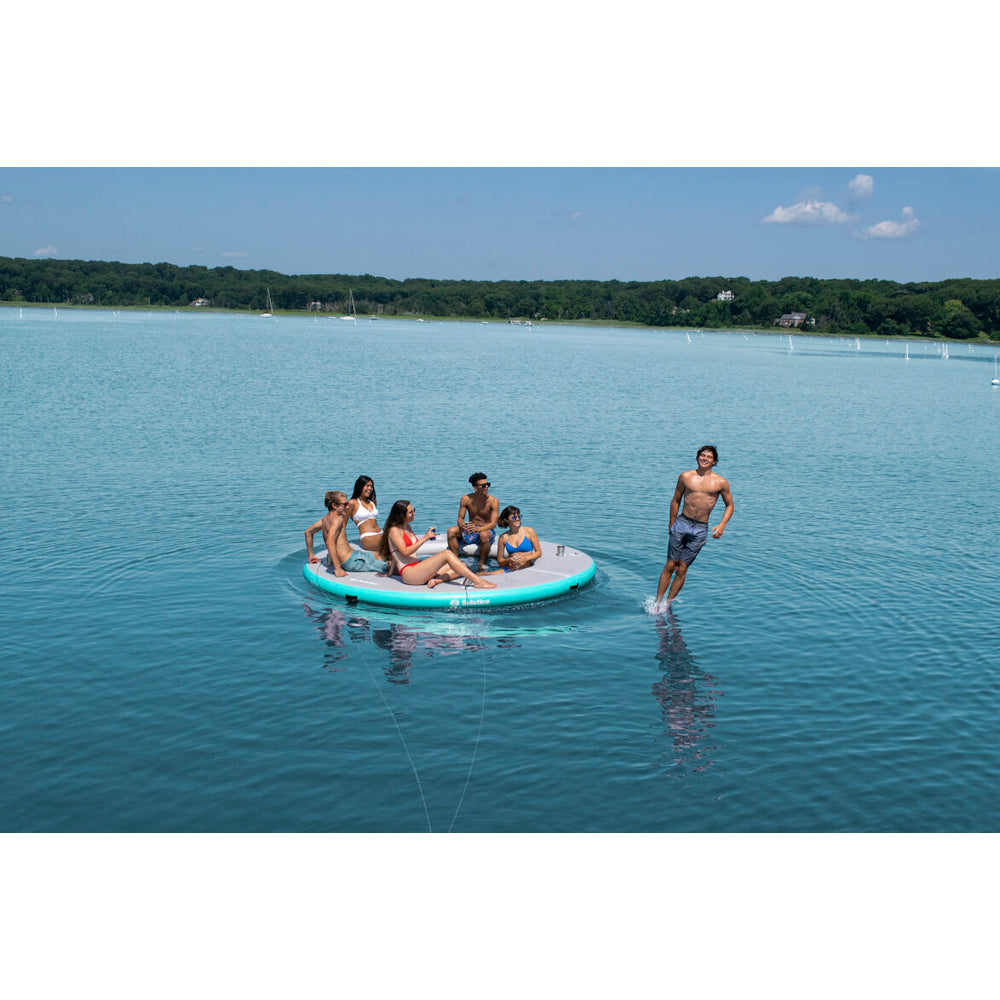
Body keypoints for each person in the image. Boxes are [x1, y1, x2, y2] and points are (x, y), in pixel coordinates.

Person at [654, 445, 734, 606]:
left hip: (700, 528)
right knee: (670, 564)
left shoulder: (721, 482)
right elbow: (676, 500)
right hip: (682, 523)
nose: (705, 458)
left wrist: (722, 525)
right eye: (702, 455)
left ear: (714, 461)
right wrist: (672, 524)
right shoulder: (685, 476)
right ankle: (658, 602)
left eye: (709, 457)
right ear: (698, 457)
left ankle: (667, 604)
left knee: (682, 568)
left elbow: (730, 505)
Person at [378, 499, 496, 590]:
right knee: (447, 554)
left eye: (414, 510)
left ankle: (437, 580)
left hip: (418, 567)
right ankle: (478, 581)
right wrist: (425, 538)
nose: (414, 513)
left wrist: (389, 573)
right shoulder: (394, 530)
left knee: (462, 565)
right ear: (401, 515)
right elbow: (403, 552)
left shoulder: (407, 527)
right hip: (410, 573)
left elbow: (395, 554)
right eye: (410, 512)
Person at [305, 490, 387, 576]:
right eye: (344, 504)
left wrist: (311, 555)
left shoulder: (324, 520)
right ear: (334, 506)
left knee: (378, 555)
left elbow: (308, 532)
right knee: (389, 566)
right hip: (351, 561)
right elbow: (329, 541)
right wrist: (338, 569)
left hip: (353, 555)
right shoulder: (338, 520)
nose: (347, 507)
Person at [446, 472, 500, 571]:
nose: (486, 487)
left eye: (488, 484)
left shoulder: (493, 501)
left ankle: (481, 564)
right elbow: (460, 518)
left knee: (483, 535)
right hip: (471, 529)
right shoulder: (466, 499)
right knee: (451, 531)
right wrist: (462, 525)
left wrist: (478, 529)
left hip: (486, 529)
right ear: (475, 488)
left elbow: (493, 524)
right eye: (483, 485)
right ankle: (455, 562)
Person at [495, 506, 541, 572]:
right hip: (509, 569)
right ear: (506, 520)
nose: (517, 519)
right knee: (484, 575)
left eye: (519, 516)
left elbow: (539, 552)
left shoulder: (529, 531)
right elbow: (500, 561)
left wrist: (526, 558)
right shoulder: (503, 537)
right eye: (514, 517)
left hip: (526, 569)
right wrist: (508, 560)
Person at [345, 475, 382, 552]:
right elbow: (343, 524)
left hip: (380, 533)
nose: (370, 489)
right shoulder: (352, 503)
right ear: (360, 486)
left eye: (371, 486)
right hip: (368, 537)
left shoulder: (373, 501)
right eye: (367, 486)